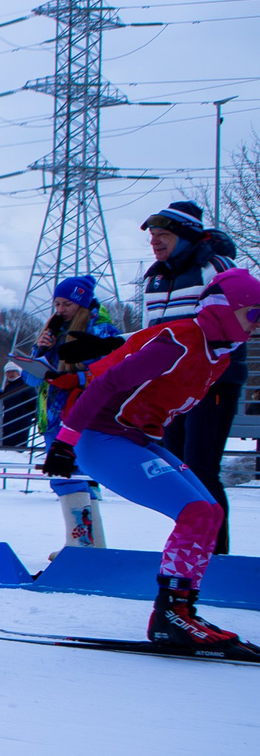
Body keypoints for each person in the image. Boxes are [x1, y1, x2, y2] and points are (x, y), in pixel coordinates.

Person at [45, 266, 260, 649]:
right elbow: (109, 382)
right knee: (195, 511)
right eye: (253, 314)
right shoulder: (181, 342)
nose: (256, 324)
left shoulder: (219, 355)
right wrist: (65, 441)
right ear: (227, 310)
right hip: (101, 437)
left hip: (136, 437)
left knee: (210, 512)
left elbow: (141, 352)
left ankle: (181, 610)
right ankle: (171, 615)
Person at [140, 199, 245, 553]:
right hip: (171, 386)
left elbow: (232, 328)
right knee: (176, 469)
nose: (155, 241)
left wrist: (199, 364)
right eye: (152, 235)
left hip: (212, 382)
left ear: (185, 236)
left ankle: (215, 554)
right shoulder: (155, 276)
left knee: (201, 466)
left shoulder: (214, 266)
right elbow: (149, 334)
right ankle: (189, 547)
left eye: (163, 234)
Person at [17, 274, 127, 549]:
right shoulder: (52, 332)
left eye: (67, 304)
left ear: (82, 303)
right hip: (52, 416)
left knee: (76, 475)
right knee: (64, 477)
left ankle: (84, 547)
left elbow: (114, 373)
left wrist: (76, 380)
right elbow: (31, 379)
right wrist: (40, 351)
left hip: (84, 414)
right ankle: (87, 544)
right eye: (56, 304)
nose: (60, 310)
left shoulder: (102, 332)